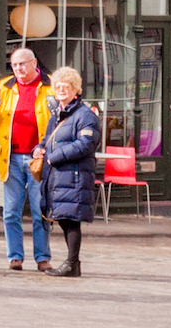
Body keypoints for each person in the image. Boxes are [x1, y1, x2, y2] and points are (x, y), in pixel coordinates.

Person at [0, 44, 56, 272]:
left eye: (22, 63)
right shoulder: (6, 87)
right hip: (10, 157)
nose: (18, 68)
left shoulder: (49, 86)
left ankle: (42, 257)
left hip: (39, 159)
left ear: (34, 63)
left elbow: (59, 121)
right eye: (14, 65)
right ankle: (15, 257)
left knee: (39, 211)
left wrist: (46, 148)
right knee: (11, 211)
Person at [36, 66, 103, 278]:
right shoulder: (56, 115)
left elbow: (86, 144)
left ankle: (71, 263)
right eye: (58, 86)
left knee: (71, 219)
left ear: (76, 90)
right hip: (59, 176)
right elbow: (48, 139)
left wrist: (55, 156)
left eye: (67, 86)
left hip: (74, 176)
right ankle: (73, 264)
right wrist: (38, 148)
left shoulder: (85, 115)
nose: (61, 89)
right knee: (65, 219)